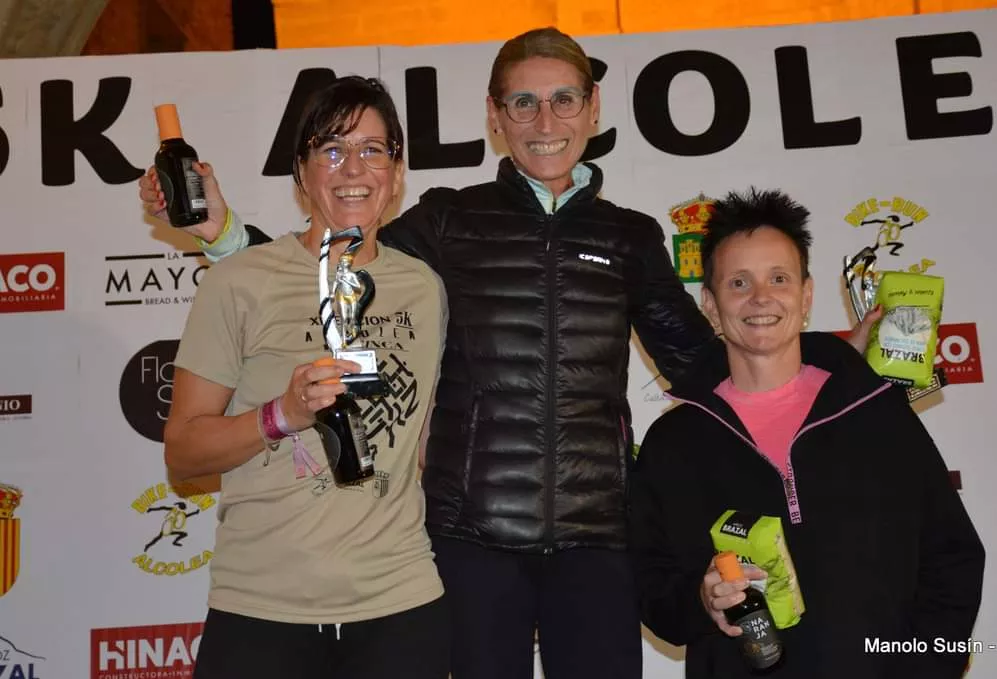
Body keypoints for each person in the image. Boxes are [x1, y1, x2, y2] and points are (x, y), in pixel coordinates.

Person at [141, 29, 879, 679]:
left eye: (563, 100)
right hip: (470, 542)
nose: (545, 122)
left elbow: (699, 359)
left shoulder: (629, 235)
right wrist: (223, 233)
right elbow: (326, 268)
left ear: (592, 110)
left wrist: (819, 359)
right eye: (523, 103)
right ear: (495, 118)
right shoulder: (446, 221)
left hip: (597, 540)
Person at [628, 188, 985, 679]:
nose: (761, 298)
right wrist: (702, 601)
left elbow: (951, 554)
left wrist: (926, 667)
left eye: (779, 278)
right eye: (738, 282)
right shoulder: (674, 443)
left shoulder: (873, 410)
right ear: (710, 304)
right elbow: (652, 591)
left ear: (807, 295)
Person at [162, 76, 450, 679]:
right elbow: (184, 452)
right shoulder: (238, 282)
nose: (355, 168)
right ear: (301, 170)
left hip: (400, 605)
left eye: (374, 149)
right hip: (262, 608)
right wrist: (282, 415)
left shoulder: (423, 288)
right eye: (332, 149)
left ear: (397, 172)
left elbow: (423, 442)